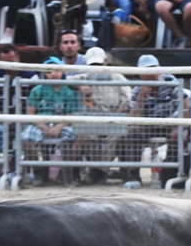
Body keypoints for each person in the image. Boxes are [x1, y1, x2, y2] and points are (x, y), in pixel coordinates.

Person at [120, 53, 181, 188]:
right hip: (148, 125)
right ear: (140, 74)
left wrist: (178, 126)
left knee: (181, 134)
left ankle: (168, 172)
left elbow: (184, 106)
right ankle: (134, 174)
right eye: (146, 71)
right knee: (132, 131)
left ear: (159, 68)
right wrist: (142, 96)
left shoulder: (171, 82)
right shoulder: (137, 91)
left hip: (170, 122)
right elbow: (133, 120)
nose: (150, 74)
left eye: (153, 69)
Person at [72, 46, 130, 185]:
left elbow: (126, 99)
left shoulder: (118, 77)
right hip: (92, 119)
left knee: (116, 136)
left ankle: (98, 171)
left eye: (98, 64)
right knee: (86, 135)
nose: (96, 67)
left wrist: (116, 115)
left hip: (114, 117)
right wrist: (80, 86)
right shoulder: (83, 77)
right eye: (93, 65)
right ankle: (98, 170)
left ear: (105, 62)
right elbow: (66, 79)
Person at [22, 56, 79, 184]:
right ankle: (38, 172)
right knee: (27, 138)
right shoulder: (37, 90)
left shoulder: (68, 92)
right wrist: (44, 127)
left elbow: (70, 115)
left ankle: (65, 175)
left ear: (62, 71)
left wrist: (58, 127)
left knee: (71, 136)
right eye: (49, 71)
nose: (53, 74)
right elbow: (30, 114)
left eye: (56, 70)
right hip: (39, 123)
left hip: (62, 124)